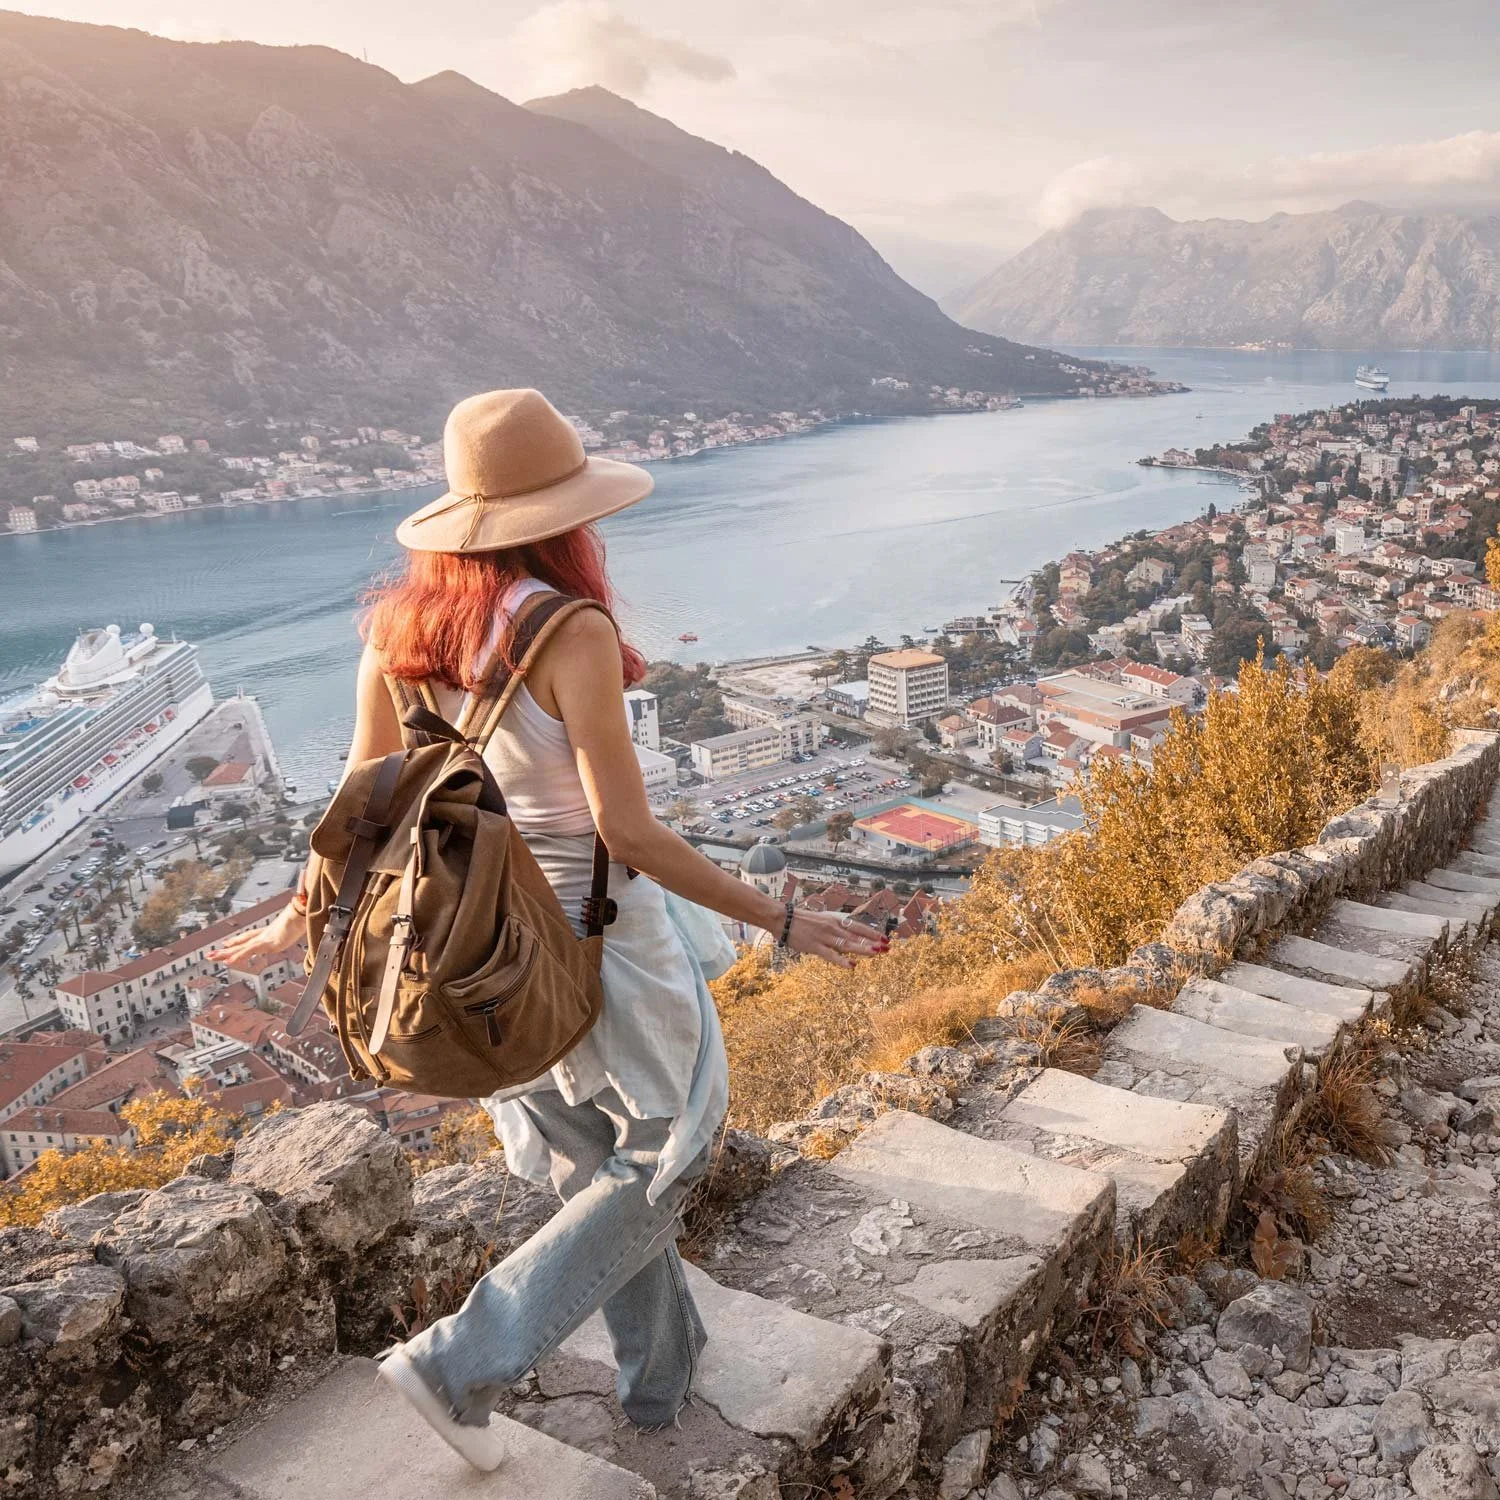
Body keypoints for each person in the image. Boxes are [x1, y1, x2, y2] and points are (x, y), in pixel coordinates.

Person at [212, 388, 884, 1471]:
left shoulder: (396, 632)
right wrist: (784, 918)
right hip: (601, 938)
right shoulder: (569, 630)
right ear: (564, 517)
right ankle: (461, 1361)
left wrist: (305, 915)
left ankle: (659, 1380)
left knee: (598, 1173)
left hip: (471, 951)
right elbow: (629, 832)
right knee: (675, 1150)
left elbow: (360, 797)